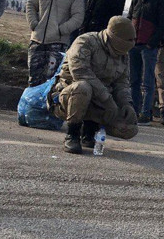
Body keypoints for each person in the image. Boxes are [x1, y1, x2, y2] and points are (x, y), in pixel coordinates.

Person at [51, 16, 139, 154]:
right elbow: (80, 72)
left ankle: (90, 132)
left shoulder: (123, 55)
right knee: (83, 87)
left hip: (100, 103)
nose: (132, 43)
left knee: (129, 128)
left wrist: (126, 104)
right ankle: (72, 134)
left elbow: (122, 83)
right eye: (128, 40)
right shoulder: (85, 42)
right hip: (70, 98)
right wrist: (107, 99)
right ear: (114, 37)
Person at [26, 0, 85, 87]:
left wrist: (61, 30)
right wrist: (34, 24)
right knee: (33, 78)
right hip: (37, 39)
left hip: (58, 43)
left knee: (51, 81)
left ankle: (47, 107)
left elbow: (78, 16)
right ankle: (31, 106)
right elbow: (31, 4)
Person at [128, 0, 164, 124]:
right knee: (133, 81)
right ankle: (134, 111)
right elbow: (130, 18)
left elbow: (163, 25)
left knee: (147, 82)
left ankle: (146, 113)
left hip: (149, 47)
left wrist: (151, 43)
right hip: (133, 45)